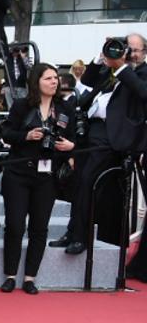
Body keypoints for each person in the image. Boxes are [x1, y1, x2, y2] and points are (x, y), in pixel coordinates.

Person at [55, 33, 147, 255]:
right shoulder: (110, 69)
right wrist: (102, 57)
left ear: (144, 52)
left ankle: (81, 237)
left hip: (113, 135)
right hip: (90, 129)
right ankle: (72, 230)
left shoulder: (140, 72)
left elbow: (143, 93)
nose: (129, 53)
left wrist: (122, 67)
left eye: (134, 49)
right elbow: (87, 81)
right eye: (125, 47)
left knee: (88, 181)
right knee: (78, 182)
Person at [0, 63, 75, 294]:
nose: (54, 82)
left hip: (47, 175)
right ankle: (10, 275)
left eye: (55, 78)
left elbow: (75, 139)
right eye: (48, 78)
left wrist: (70, 146)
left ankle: (30, 277)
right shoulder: (22, 106)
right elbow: (7, 134)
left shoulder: (65, 108)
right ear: (36, 82)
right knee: (14, 225)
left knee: (39, 227)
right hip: (19, 172)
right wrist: (27, 135)